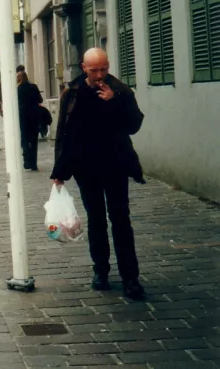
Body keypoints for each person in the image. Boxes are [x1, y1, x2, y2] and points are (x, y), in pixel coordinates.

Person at [51, 48, 146, 301]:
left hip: (115, 164)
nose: (100, 74)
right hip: (86, 167)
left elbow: (134, 125)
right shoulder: (72, 93)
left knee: (121, 219)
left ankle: (130, 277)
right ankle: (100, 271)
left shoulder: (121, 91)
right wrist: (59, 169)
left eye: (103, 68)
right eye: (94, 70)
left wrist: (114, 101)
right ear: (84, 68)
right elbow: (63, 132)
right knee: (96, 219)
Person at [17, 71, 43, 171]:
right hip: (34, 116)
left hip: (23, 117)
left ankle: (26, 160)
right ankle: (34, 164)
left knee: (24, 139)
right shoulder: (34, 87)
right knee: (33, 140)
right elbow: (40, 100)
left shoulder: (18, 89)